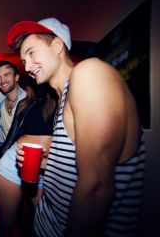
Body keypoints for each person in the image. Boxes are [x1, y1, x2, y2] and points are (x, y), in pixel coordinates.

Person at [9, 17, 146, 236]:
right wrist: (45, 163)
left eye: (32, 53)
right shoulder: (63, 100)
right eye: (23, 60)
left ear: (57, 45)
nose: (27, 66)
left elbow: (97, 188)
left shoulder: (89, 74)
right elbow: (76, 171)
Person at [0, 80, 58, 237]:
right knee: (5, 225)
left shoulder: (61, 99)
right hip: (14, 165)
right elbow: (11, 139)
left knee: (46, 227)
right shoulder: (25, 104)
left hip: (50, 169)